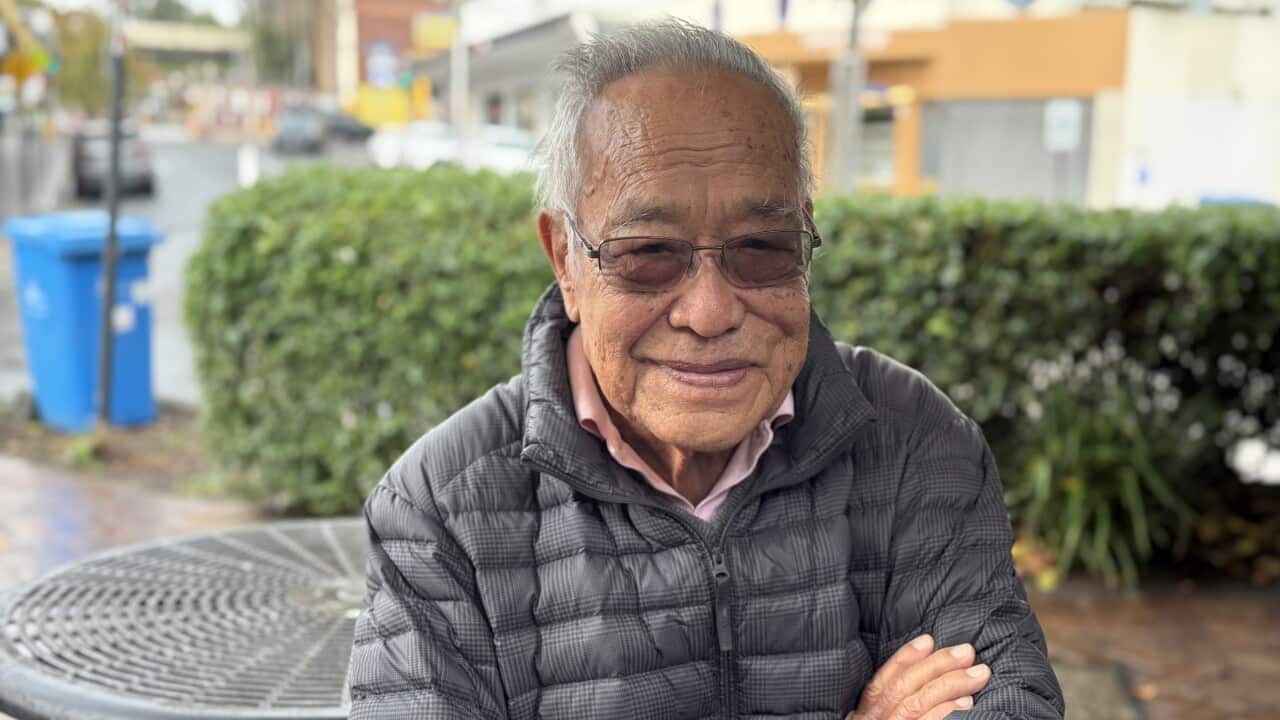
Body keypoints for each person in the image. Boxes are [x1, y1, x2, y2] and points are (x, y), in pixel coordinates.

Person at [349, 19, 1064, 720]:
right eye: (649, 253)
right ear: (565, 259)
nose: (710, 311)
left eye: (762, 247)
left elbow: (1006, 701)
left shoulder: (913, 441)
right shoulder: (442, 507)